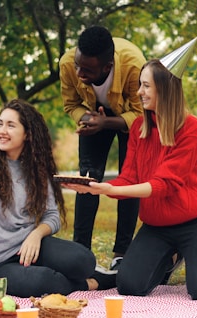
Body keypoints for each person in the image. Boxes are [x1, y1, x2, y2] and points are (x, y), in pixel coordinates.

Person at [63, 39, 197, 300]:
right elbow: (129, 178)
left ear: (165, 89)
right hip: (156, 225)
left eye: (146, 86)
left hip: (195, 223)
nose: (139, 92)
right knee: (130, 285)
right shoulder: (139, 127)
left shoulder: (194, 129)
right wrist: (95, 188)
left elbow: (165, 184)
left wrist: (106, 188)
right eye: (140, 85)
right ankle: (172, 257)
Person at [0, 99, 117, 297]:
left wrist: (36, 235)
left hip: (32, 247)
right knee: (45, 280)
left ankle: (78, 276)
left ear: (27, 134)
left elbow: (52, 216)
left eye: (10, 125)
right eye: (0, 123)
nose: (1, 130)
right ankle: (88, 284)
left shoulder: (35, 169)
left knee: (84, 260)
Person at [59, 26, 144, 269]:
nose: (79, 72)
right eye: (78, 65)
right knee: (88, 179)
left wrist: (106, 122)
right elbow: (71, 105)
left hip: (129, 118)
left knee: (129, 181)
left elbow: (139, 114)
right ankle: (81, 251)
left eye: (87, 70)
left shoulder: (133, 65)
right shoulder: (68, 63)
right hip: (92, 115)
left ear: (107, 67)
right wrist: (85, 119)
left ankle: (122, 254)